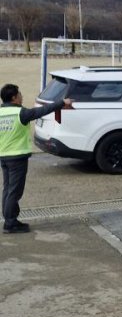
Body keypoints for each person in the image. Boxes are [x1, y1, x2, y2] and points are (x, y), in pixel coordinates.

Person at [0, 83, 72, 234]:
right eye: (19, 94)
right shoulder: (20, 113)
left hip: (4, 156)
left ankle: (10, 218)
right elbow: (42, 111)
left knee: (8, 189)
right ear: (14, 97)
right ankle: (10, 223)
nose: (21, 96)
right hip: (17, 157)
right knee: (14, 191)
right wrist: (61, 103)